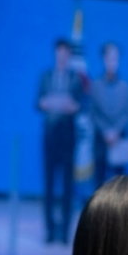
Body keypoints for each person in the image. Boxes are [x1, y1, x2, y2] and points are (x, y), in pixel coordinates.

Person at [35, 39, 84, 244]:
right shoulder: (46, 76)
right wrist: (56, 102)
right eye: (59, 53)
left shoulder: (76, 79)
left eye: (66, 53)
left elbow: (78, 105)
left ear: (70, 56)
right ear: (56, 54)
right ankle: (49, 231)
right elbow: (39, 102)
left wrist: (58, 103)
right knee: (48, 186)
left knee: (67, 187)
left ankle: (64, 233)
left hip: (68, 137)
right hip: (50, 137)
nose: (62, 56)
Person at [90, 42, 128, 188]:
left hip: (119, 141)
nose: (112, 61)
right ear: (103, 59)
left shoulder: (125, 87)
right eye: (109, 57)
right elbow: (93, 112)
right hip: (101, 142)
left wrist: (116, 132)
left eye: (115, 58)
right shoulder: (95, 85)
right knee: (99, 185)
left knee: (119, 188)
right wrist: (105, 131)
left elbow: (127, 114)